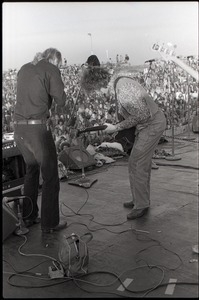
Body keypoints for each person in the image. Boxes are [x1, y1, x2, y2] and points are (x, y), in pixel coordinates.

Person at [80, 62, 166, 220]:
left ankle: (141, 205)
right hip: (148, 125)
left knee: (138, 162)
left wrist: (116, 127)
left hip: (152, 125)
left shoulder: (122, 88)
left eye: (95, 92)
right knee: (136, 163)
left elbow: (141, 115)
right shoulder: (119, 85)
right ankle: (139, 200)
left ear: (98, 85)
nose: (98, 96)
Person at [13, 48, 68, 233]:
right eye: (59, 64)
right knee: (50, 174)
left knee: (31, 170)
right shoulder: (50, 69)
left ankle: (28, 217)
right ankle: (50, 223)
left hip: (19, 129)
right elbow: (61, 100)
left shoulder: (23, 68)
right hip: (37, 130)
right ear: (54, 60)